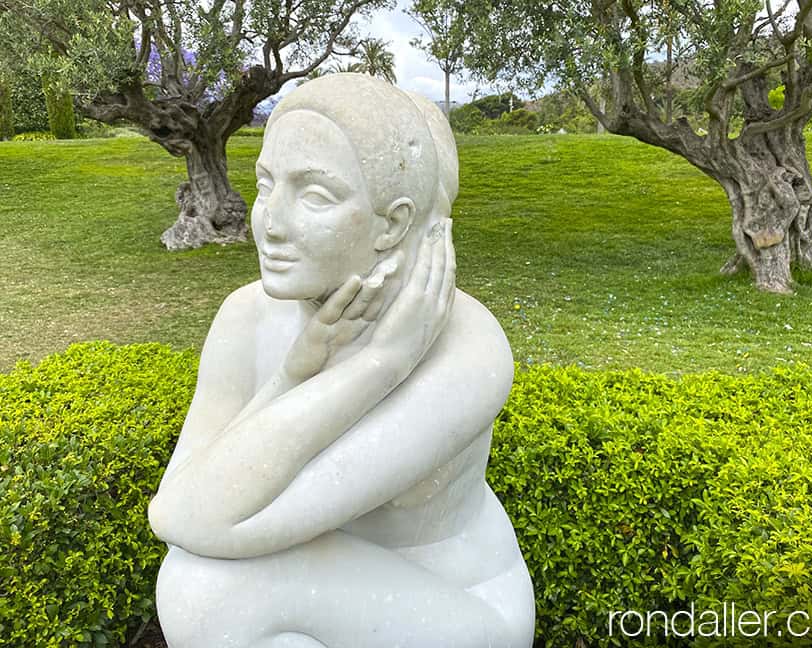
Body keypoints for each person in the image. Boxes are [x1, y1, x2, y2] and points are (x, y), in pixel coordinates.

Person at [149, 74, 535, 648]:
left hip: (456, 602)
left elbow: (198, 523)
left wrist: (379, 363)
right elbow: (182, 505)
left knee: (201, 589)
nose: (270, 223)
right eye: (264, 184)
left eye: (314, 195)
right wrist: (294, 373)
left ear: (395, 223)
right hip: (318, 581)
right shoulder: (247, 317)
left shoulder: (467, 347)